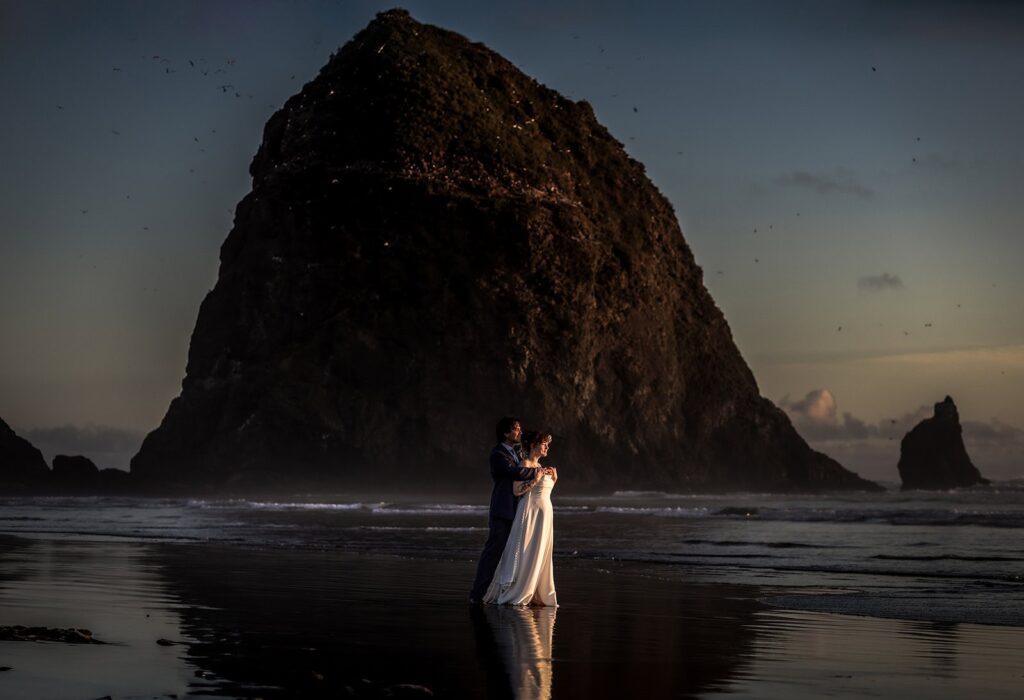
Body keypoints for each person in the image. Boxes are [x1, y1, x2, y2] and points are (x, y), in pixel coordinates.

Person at [483, 430, 558, 607]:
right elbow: (517, 491)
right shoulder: (525, 464)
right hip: (530, 512)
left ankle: (536, 590)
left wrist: (553, 480)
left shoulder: (543, 466)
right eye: (543, 443)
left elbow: (544, 492)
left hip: (545, 514)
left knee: (540, 551)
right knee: (526, 549)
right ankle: (520, 588)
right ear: (533, 446)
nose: (547, 446)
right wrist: (535, 478)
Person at [469, 417, 537, 604]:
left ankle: (507, 592)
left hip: (519, 510)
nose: (519, 432)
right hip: (502, 510)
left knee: (514, 553)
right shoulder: (498, 454)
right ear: (506, 433)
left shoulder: (519, 452)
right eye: (516, 429)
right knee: (493, 552)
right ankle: (477, 594)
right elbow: (515, 472)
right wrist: (538, 471)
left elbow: (528, 461)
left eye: (520, 428)